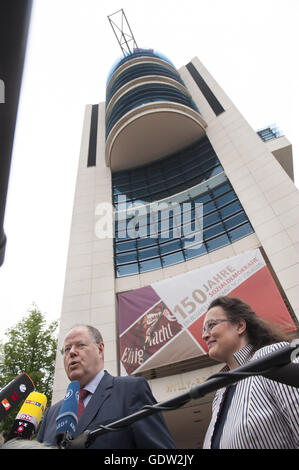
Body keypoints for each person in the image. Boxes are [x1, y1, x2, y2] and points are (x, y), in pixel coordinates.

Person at [37, 324, 176, 449]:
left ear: (100, 349)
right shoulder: (51, 414)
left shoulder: (130, 391)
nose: (72, 352)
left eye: (80, 345)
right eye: (67, 349)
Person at [202, 296, 299, 449]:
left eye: (211, 325)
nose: (204, 335)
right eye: (203, 330)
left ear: (240, 326)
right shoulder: (220, 392)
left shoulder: (270, 357)